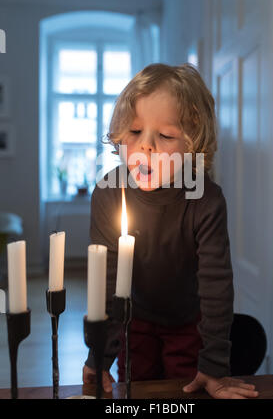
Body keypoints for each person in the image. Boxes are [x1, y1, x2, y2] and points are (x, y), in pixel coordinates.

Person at [82, 63, 259, 399]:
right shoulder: (108, 193)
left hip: (187, 323)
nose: (145, 146)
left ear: (193, 145)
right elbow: (104, 283)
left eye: (164, 135)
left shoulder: (205, 200)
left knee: (184, 393)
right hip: (134, 321)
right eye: (134, 132)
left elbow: (216, 286)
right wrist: (99, 355)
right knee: (138, 391)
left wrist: (215, 366)